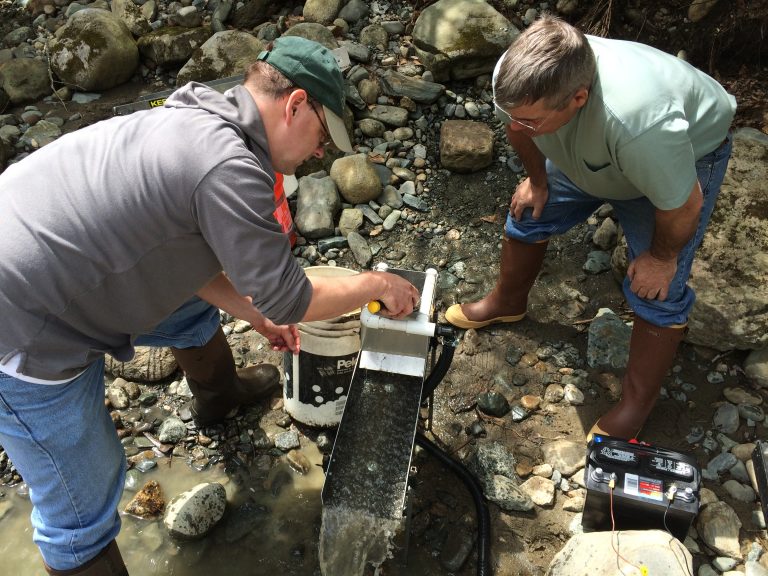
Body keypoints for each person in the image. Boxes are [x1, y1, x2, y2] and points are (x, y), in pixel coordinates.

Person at [0, 36, 420, 575]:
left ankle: (220, 397)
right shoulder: (230, 166)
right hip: (24, 320)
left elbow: (173, 247)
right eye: (322, 135)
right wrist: (375, 283)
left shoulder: (198, 108)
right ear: (294, 105)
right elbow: (291, 296)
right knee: (80, 502)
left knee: (187, 310)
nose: (321, 152)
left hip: (44, 254)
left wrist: (251, 310)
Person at [445, 15, 735, 442]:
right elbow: (516, 127)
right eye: (513, 113)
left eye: (530, 119)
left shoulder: (641, 123)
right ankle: (507, 301)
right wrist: (538, 181)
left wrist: (659, 257)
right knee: (529, 213)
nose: (515, 123)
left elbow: (683, 205)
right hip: (588, 151)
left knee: (658, 288)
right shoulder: (518, 78)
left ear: (578, 98)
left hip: (679, 158)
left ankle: (636, 405)